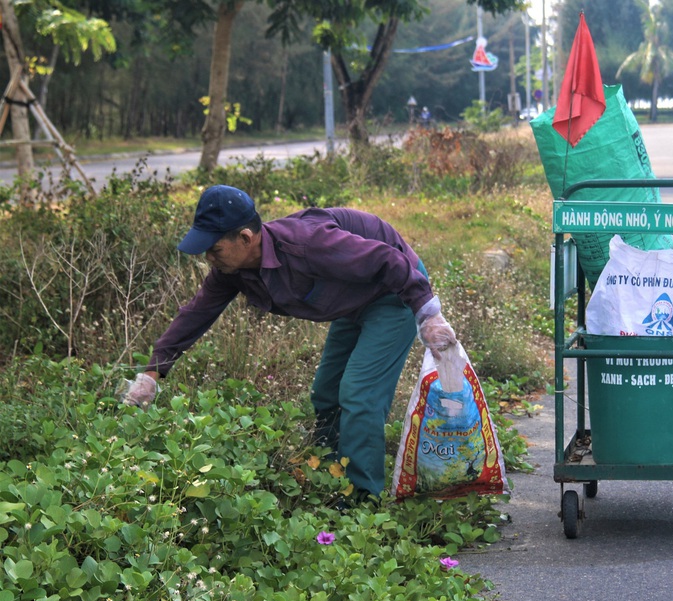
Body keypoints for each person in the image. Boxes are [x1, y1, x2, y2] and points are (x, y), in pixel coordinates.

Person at [122, 185, 457, 503]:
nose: (209, 257)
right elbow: (197, 313)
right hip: (351, 300)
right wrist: (152, 372)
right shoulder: (232, 269)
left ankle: (362, 497)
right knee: (326, 392)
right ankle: (331, 470)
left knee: (359, 393)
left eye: (215, 248)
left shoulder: (309, 243)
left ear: (245, 237)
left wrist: (427, 313)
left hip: (394, 290)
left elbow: (389, 261)